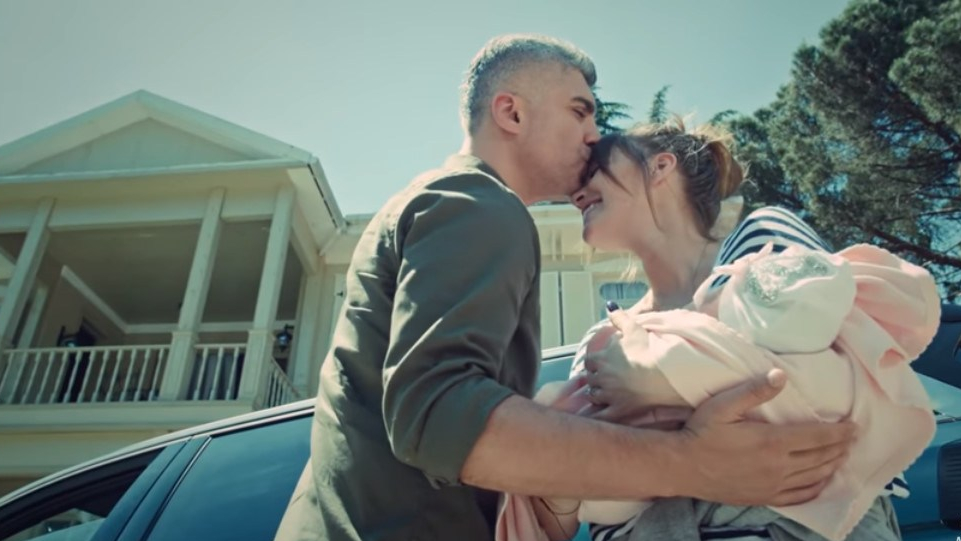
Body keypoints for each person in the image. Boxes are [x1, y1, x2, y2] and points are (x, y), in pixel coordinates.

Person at [273, 35, 855, 541]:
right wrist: (691, 462)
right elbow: (439, 414)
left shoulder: (450, 202)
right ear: (511, 112)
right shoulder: (477, 204)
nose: (593, 135)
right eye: (580, 111)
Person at [509, 119, 938, 541]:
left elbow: (853, 397)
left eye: (595, 168)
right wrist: (563, 476)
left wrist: (662, 381)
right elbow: (565, 522)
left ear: (660, 166)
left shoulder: (764, 244)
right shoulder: (603, 340)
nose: (576, 193)